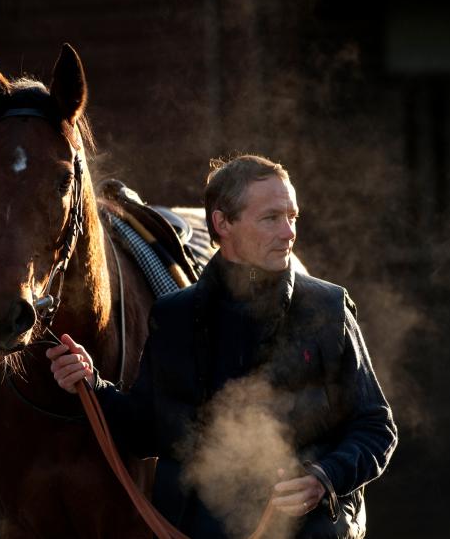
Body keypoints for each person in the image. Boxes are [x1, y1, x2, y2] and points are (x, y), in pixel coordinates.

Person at [47, 155, 397, 538]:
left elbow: (376, 426)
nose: (289, 233)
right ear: (223, 223)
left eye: (292, 217)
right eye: (271, 218)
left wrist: (325, 478)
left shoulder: (328, 309)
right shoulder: (173, 316)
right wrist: (92, 385)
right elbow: (147, 432)